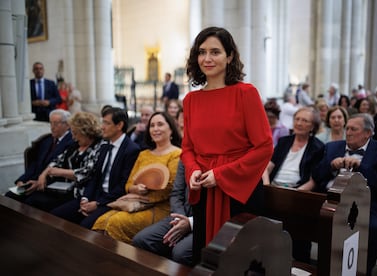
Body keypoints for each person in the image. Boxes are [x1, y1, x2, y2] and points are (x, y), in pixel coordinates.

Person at [181, 26, 273, 264]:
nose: (207, 59)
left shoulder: (246, 93)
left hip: (238, 189)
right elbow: (188, 148)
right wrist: (193, 171)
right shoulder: (191, 100)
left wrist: (221, 175)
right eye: (202, 52)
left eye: (215, 52)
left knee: (241, 259)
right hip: (204, 190)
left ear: (229, 56)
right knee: (206, 255)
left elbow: (263, 146)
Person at [312, 113, 377, 275]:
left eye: (353, 129)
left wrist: (361, 167)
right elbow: (316, 175)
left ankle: (362, 270)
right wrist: (331, 166)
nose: (348, 132)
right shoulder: (332, 147)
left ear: (367, 133)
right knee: (300, 215)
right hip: (329, 200)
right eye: (347, 128)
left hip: (365, 204)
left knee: (375, 228)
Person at [92, 112, 182, 243]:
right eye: (152, 125)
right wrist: (135, 189)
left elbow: (169, 188)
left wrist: (141, 195)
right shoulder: (143, 154)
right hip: (135, 202)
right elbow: (128, 184)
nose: (155, 129)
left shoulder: (176, 154)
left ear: (171, 129)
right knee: (101, 221)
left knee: (115, 223)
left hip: (160, 207)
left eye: (160, 124)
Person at [51, 107, 140, 229]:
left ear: (119, 125)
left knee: (85, 226)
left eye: (106, 123)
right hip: (95, 196)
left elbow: (123, 186)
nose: (102, 127)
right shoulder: (105, 145)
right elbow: (94, 177)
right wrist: (85, 198)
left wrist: (98, 204)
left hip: (112, 201)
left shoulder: (131, 150)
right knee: (56, 216)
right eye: (102, 122)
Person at [262, 107, 324, 263]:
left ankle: (300, 263)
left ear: (313, 126)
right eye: (297, 119)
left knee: (298, 227)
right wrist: (267, 185)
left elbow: (313, 180)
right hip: (274, 187)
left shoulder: (317, 147)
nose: (299, 123)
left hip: (297, 193)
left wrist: (293, 194)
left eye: (305, 120)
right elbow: (268, 166)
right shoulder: (284, 141)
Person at [20, 112, 104, 211]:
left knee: (48, 209)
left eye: (76, 133)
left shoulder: (98, 147)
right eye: (72, 133)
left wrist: (57, 172)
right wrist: (43, 174)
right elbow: (56, 161)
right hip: (63, 189)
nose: (74, 137)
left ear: (86, 132)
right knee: (30, 200)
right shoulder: (74, 145)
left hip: (81, 194)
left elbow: (86, 172)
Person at [132, 161, 193, 266]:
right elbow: (176, 194)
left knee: (180, 253)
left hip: (206, 222)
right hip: (180, 214)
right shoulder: (187, 157)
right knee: (141, 240)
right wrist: (180, 218)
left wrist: (190, 223)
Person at [6, 109, 73, 202]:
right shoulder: (47, 140)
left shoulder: (71, 142)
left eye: (56, 124)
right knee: (9, 196)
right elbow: (35, 163)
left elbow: (62, 170)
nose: (52, 127)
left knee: (30, 202)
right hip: (32, 182)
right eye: (51, 123)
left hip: (49, 185)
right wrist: (22, 180)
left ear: (67, 124)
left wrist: (38, 183)